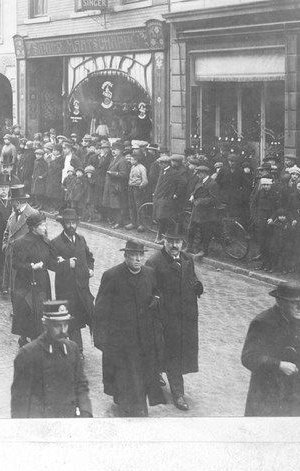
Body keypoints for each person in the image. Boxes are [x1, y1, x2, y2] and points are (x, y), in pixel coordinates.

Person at [93, 240, 166, 417]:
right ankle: (129, 406)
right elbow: (101, 309)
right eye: (133, 255)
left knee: (141, 372)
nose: (138, 259)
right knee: (124, 373)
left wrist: (156, 297)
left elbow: (156, 291)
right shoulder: (112, 276)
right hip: (121, 338)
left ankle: (138, 405)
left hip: (144, 336)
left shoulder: (149, 273)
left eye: (141, 255)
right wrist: (102, 339)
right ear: (126, 256)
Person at [145, 224, 203, 411]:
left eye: (177, 242)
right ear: (164, 241)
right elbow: (149, 290)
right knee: (165, 352)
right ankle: (177, 393)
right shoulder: (154, 262)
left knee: (176, 355)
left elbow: (191, 278)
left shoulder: (188, 259)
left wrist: (196, 285)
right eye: (170, 241)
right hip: (164, 318)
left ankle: (164, 380)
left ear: (182, 243)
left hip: (184, 318)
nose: (174, 246)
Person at [241, 281, 300, 416]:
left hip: (293, 390)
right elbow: (248, 357)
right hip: (267, 392)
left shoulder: (298, 318)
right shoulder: (262, 322)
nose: (299, 307)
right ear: (281, 303)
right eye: (294, 303)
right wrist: (279, 365)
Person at [11, 300, 93, 418]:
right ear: (46, 325)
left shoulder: (72, 349)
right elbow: (19, 401)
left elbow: (81, 385)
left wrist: (86, 413)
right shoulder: (28, 354)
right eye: (57, 326)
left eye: (65, 324)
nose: (63, 330)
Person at [49, 209, 95, 353]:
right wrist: (66, 264)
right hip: (66, 289)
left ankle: (72, 346)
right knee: (72, 321)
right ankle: (77, 349)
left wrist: (90, 268)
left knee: (86, 317)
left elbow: (89, 257)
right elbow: (51, 264)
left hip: (82, 287)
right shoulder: (56, 243)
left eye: (74, 223)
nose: (71, 226)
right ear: (63, 224)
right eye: (68, 223)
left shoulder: (81, 239)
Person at [10, 212, 56, 347]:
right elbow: (15, 264)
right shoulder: (21, 243)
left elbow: (51, 262)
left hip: (42, 281)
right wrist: (31, 266)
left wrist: (61, 262)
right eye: (41, 225)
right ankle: (24, 337)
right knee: (26, 310)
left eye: (45, 224)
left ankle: (39, 338)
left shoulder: (46, 242)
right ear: (33, 228)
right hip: (26, 282)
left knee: (41, 310)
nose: (44, 228)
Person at [186, 164, 222, 256]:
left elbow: (214, 199)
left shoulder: (212, 184)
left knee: (205, 231)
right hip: (196, 210)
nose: (197, 175)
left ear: (204, 173)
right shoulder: (199, 181)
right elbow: (195, 191)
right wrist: (192, 195)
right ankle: (189, 247)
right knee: (191, 228)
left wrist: (200, 201)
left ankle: (203, 250)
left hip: (206, 212)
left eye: (199, 173)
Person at [152, 153, 189, 241]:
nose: (159, 165)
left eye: (161, 163)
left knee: (162, 217)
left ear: (165, 163)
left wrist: (176, 193)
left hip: (166, 197)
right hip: (159, 196)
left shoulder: (174, 172)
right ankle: (162, 234)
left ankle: (161, 235)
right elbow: (159, 183)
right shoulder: (162, 170)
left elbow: (183, 183)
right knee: (158, 216)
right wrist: (155, 192)